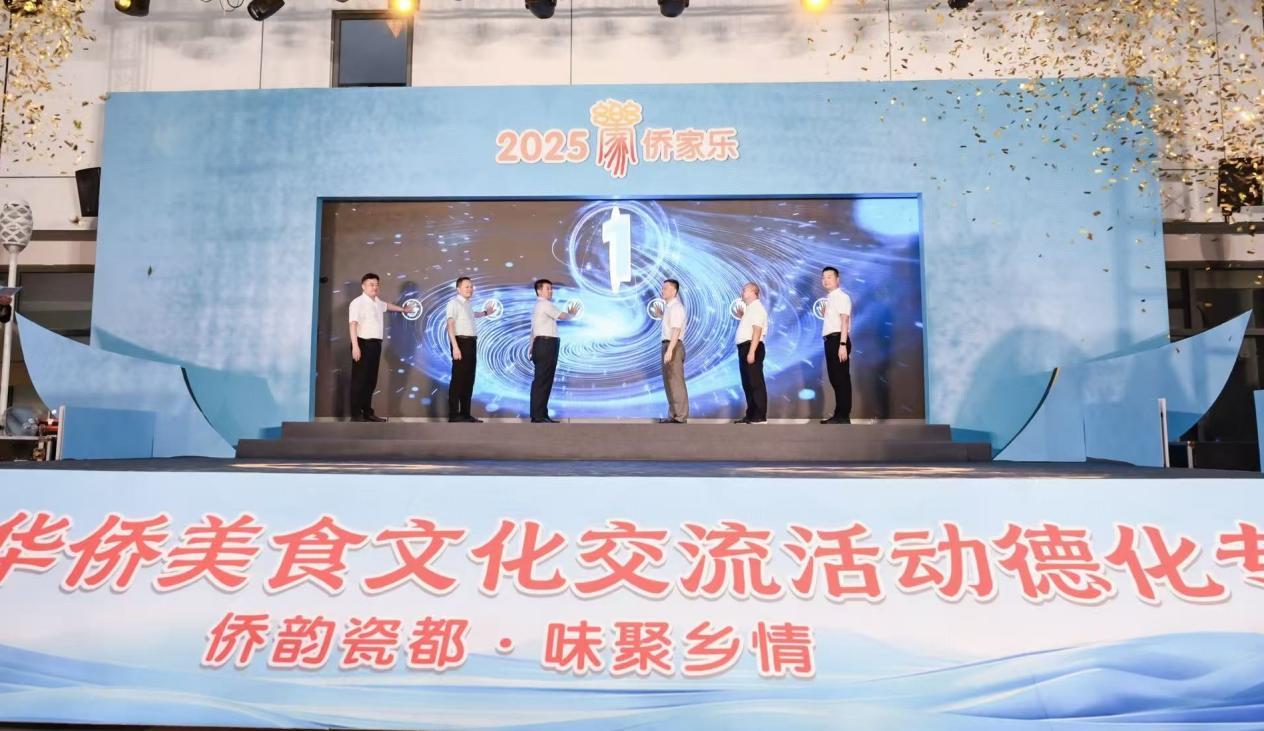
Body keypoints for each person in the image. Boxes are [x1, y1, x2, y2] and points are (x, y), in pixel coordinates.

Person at [348, 272, 417, 422]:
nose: (375, 287)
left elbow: (387, 306)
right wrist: (355, 346)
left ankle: (367, 413)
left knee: (371, 381)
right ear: (363, 286)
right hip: (362, 343)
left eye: (377, 284)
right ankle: (356, 415)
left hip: (375, 345)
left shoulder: (377, 301)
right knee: (359, 380)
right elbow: (353, 325)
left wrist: (403, 310)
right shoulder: (357, 302)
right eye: (371, 284)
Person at [445, 276, 495, 423]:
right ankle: (454, 415)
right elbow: (450, 325)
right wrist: (455, 347)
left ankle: (465, 414)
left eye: (471, 286)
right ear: (458, 289)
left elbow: (472, 315)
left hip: (471, 343)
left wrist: (486, 313)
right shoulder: (453, 303)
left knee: (469, 379)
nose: (470, 289)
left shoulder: (467, 304)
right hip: (460, 342)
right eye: (466, 286)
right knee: (458, 380)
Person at [529, 279, 579, 423]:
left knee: (544, 381)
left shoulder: (538, 306)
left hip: (543, 344)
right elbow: (562, 316)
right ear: (539, 291)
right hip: (546, 344)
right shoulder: (544, 304)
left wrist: (532, 347)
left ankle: (541, 414)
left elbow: (533, 330)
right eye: (548, 288)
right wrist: (572, 314)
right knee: (543, 381)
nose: (551, 291)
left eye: (551, 288)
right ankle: (538, 415)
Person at [650, 278, 688, 423]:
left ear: (674, 291)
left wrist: (670, 350)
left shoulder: (676, 307)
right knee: (669, 382)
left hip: (673, 345)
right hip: (668, 345)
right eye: (663, 288)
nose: (662, 291)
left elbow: (676, 329)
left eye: (665, 288)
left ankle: (680, 416)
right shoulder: (670, 308)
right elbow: (670, 324)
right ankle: (674, 415)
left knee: (675, 381)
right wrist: (661, 315)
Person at [819, 266, 853, 424]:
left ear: (837, 279)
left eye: (829, 277)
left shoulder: (841, 297)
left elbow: (845, 320)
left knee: (842, 379)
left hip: (838, 340)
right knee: (835, 379)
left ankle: (843, 416)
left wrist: (842, 344)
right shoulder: (830, 298)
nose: (825, 280)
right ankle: (839, 414)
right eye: (823, 277)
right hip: (830, 341)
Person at [734, 282, 768, 424]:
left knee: (755, 382)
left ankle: (760, 416)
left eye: (745, 290)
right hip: (745, 348)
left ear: (754, 292)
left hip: (752, 347)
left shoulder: (757, 308)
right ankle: (751, 414)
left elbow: (757, 331)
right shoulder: (750, 309)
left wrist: (752, 351)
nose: (742, 292)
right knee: (747, 383)